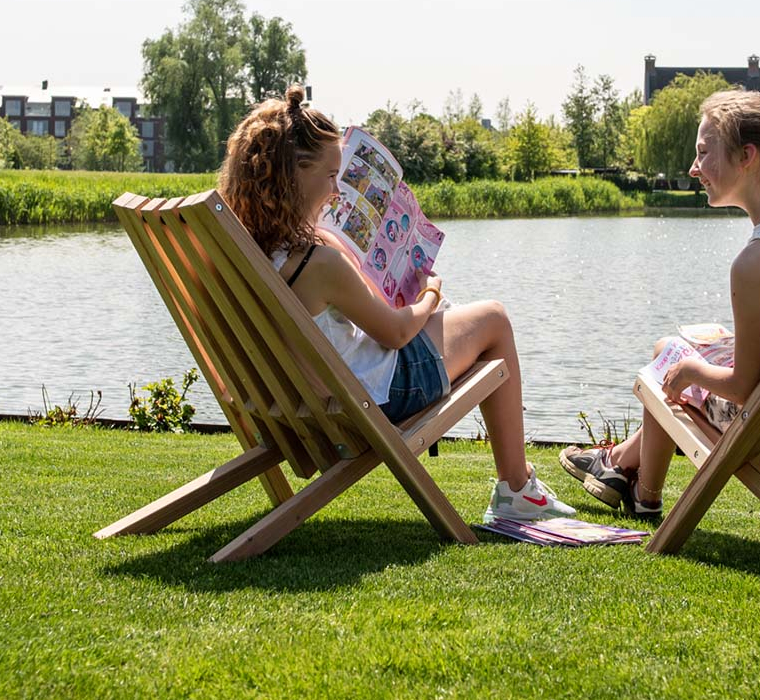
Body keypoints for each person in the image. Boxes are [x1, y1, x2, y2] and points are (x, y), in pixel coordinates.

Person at [219, 84, 575, 521]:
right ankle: (516, 488)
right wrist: (430, 294)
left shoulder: (244, 252)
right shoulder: (317, 262)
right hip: (374, 395)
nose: (336, 192)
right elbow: (397, 332)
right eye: (331, 176)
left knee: (450, 319)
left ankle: (518, 488)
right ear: (293, 177)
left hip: (290, 406)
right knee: (494, 320)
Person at [560, 89, 760, 520]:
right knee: (674, 349)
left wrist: (694, 370)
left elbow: (744, 388)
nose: (694, 169)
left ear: (746, 156)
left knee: (669, 359)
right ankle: (625, 470)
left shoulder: (759, 260)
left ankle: (641, 486)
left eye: (703, 153)